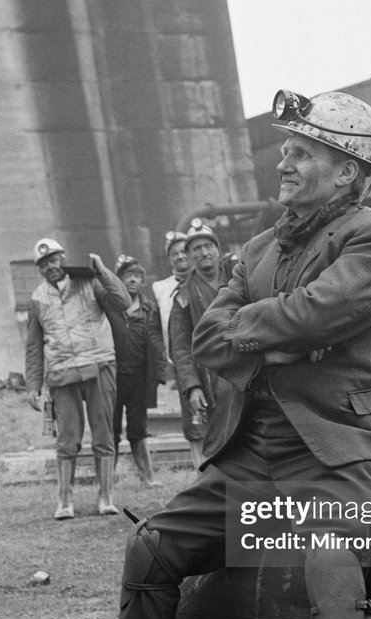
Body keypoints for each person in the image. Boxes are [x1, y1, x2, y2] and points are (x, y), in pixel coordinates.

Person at [29, 88, 371, 619]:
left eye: (305, 153)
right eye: (288, 151)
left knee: (331, 562)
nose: (287, 164)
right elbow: (210, 336)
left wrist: (273, 327)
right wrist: (289, 335)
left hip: (342, 460)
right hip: (254, 459)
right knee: (153, 546)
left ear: (348, 172)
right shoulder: (265, 247)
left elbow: (316, 312)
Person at [26, 240, 129, 518]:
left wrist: (103, 272)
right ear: (40, 270)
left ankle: (106, 497)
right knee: (67, 439)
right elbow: (34, 346)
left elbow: (123, 301)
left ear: (64, 258)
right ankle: (64, 501)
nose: (51, 267)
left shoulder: (90, 282)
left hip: (99, 366)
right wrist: (33, 385)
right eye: (44, 264)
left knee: (103, 433)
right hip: (62, 373)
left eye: (55, 260)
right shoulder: (37, 298)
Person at [107, 255, 169, 486]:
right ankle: (108, 479)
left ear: (142, 281)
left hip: (139, 378)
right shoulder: (109, 307)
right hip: (112, 379)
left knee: (138, 429)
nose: (132, 280)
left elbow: (158, 342)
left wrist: (159, 374)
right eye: (127, 276)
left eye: (137, 276)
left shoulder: (149, 309)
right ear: (118, 280)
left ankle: (147, 478)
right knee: (110, 429)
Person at [168, 218, 225, 468]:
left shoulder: (240, 277)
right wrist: (192, 387)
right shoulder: (184, 295)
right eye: (196, 249)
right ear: (190, 257)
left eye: (207, 246)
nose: (203, 252)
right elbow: (180, 348)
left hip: (248, 369)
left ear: (217, 249)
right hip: (212, 378)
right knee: (219, 443)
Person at [151, 230, 191, 355]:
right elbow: (153, 329)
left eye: (183, 252)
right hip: (180, 359)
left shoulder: (205, 280)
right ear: (169, 259)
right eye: (174, 254)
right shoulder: (160, 288)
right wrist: (166, 352)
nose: (180, 256)